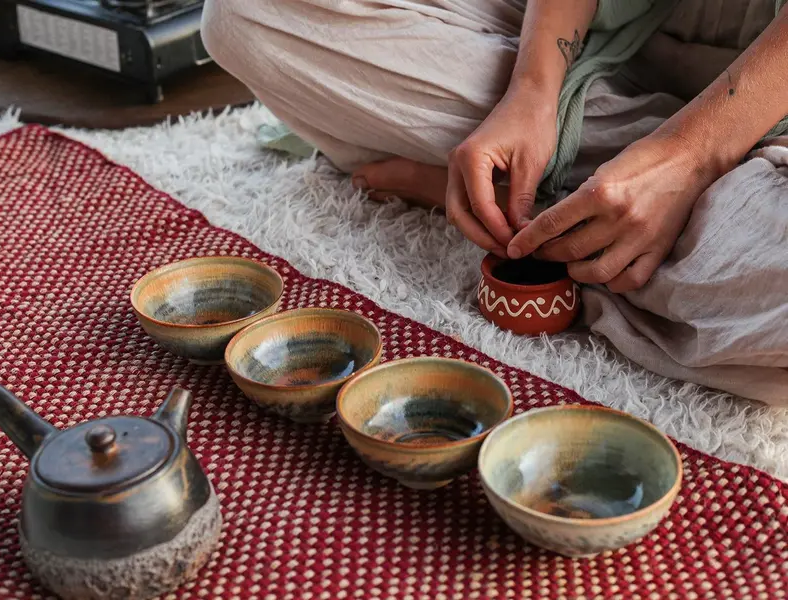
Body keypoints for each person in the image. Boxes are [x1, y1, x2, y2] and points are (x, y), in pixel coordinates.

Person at [200, 0, 788, 404]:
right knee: (245, 15)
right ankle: (600, 211)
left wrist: (689, 158)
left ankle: (544, 205)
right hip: (611, 36)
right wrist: (531, 88)